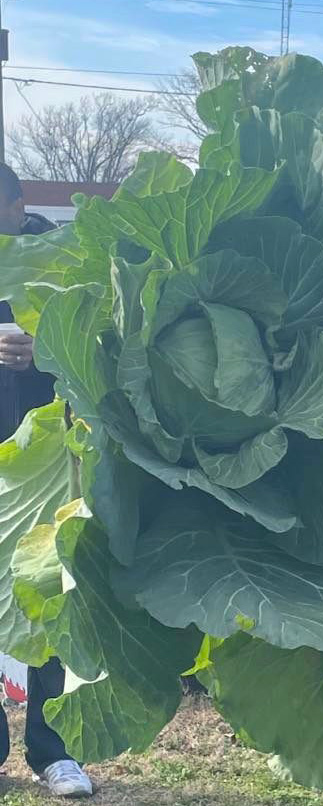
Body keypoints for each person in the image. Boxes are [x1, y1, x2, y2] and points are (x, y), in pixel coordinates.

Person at [0, 163, 95, 799]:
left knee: (49, 596)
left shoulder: (58, 260)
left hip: (48, 460)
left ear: (17, 206)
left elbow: (101, 338)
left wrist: (46, 347)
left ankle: (52, 749)